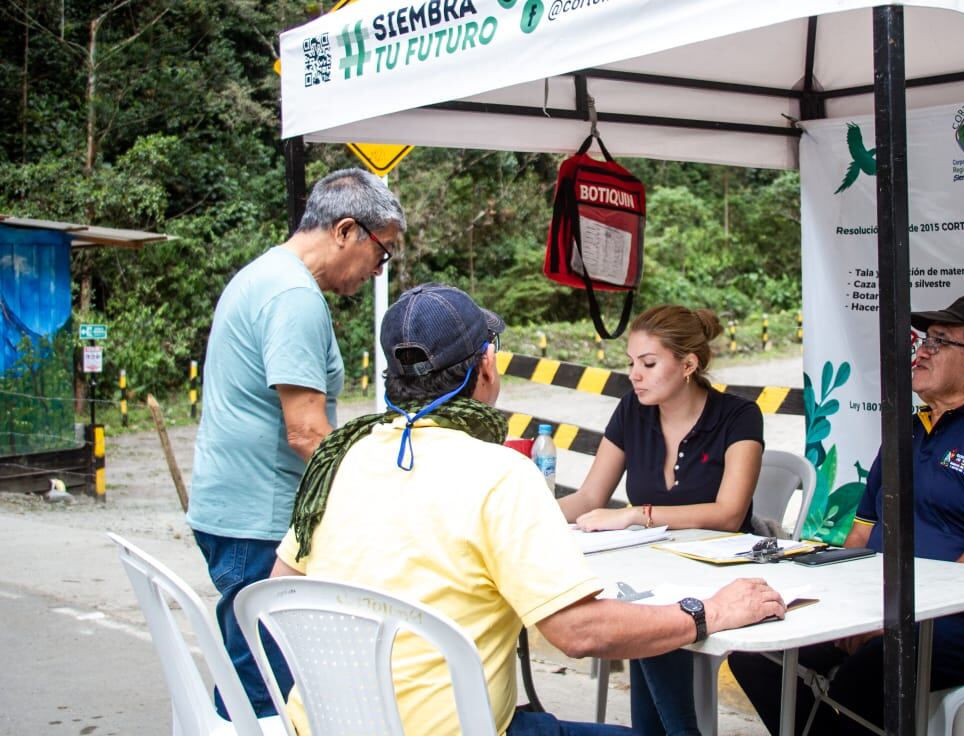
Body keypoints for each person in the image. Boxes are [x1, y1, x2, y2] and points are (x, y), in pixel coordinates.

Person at [272, 284, 786, 736]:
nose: (635, 374)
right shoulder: (498, 472)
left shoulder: (339, 459)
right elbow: (579, 633)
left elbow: (279, 592)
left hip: (324, 723)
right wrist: (711, 611)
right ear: (488, 367)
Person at [730, 295, 964, 735]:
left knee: (870, 671)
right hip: (882, 611)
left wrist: (891, 620)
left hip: (961, 624)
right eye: (925, 339)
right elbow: (859, 539)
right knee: (758, 653)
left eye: (941, 342)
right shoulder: (906, 431)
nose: (923, 349)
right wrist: (840, 607)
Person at [187, 167, 405, 716]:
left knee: (251, 674)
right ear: (346, 231)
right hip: (259, 522)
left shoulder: (265, 274)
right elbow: (307, 431)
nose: (379, 269)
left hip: (235, 511)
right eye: (382, 254)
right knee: (268, 692)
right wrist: (381, 492)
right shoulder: (293, 296)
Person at [559, 305, 764, 736]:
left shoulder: (739, 416)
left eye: (648, 363)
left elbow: (728, 514)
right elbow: (590, 496)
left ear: (688, 365)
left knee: (649, 609)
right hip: (655, 567)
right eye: (631, 363)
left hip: (721, 570)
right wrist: (525, 517)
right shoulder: (633, 411)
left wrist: (638, 514)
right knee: (646, 604)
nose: (635, 374)